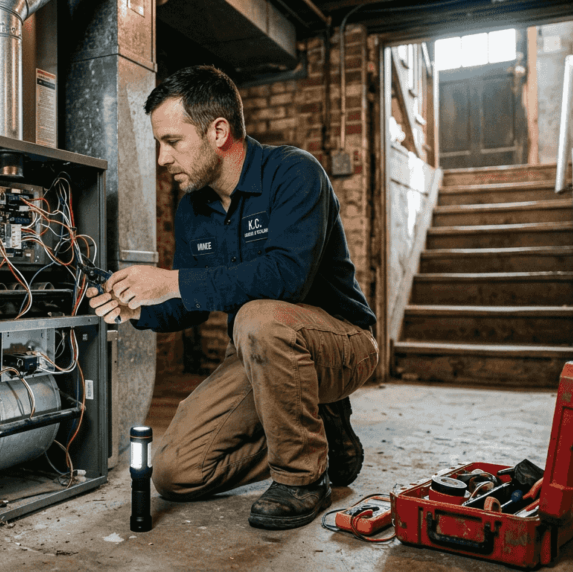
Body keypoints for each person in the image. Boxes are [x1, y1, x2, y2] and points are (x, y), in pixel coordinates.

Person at [87, 65, 379, 530]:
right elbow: (188, 303)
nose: (162, 158)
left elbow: (287, 279)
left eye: (172, 141)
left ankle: (303, 478)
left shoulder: (294, 174)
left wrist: (170, 280)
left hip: (340, 344)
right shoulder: (193, 207)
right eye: (158, 143)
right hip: (256, 351)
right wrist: (136, 308)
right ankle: (318, 434)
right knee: (175, 473)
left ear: (218, 131)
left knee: (259, 318)